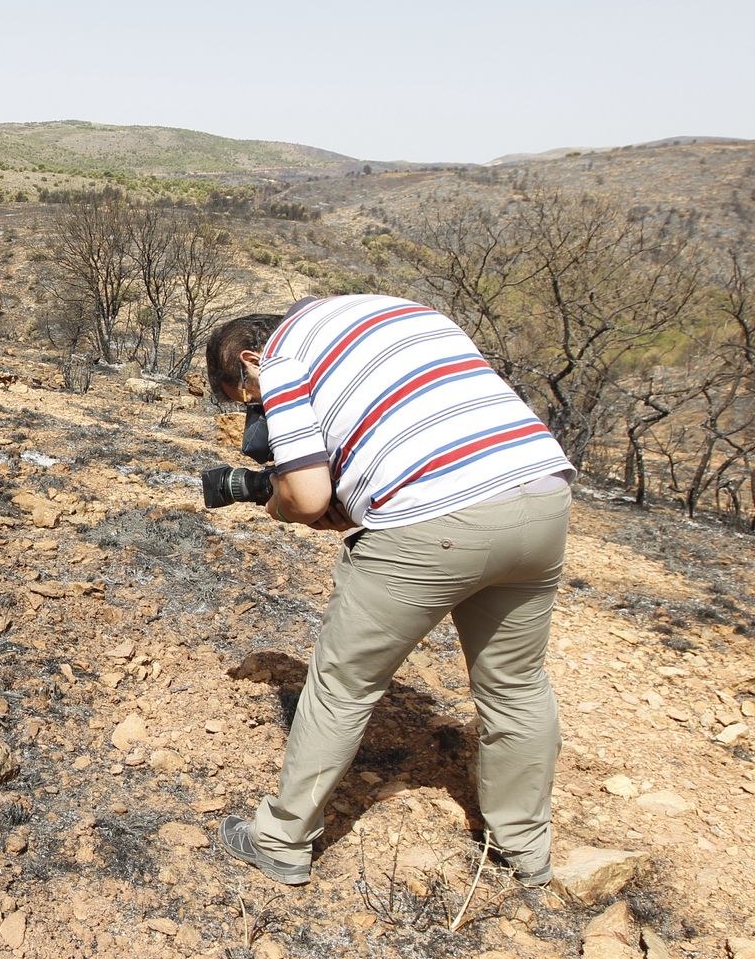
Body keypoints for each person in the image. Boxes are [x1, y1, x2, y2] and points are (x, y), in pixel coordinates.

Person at [204, 295, 574, 886]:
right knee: (517, 685)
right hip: (542, 495)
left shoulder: (280, 357)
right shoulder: (398, 313)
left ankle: (281, 840)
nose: (258, 410)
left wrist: (276, 500)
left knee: (342, 686)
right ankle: (524, 850)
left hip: (438, 522)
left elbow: (305, 498)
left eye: (248, 398)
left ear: (249, 359)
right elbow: (412, 436)